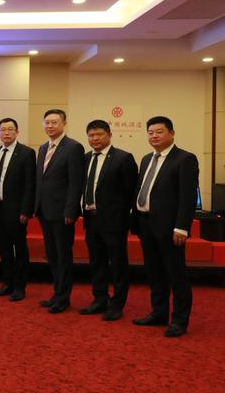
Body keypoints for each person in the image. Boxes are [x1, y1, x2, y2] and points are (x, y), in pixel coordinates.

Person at [132, 116, 198, 337]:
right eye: (150, 132)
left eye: (159, 132)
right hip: (146, 224)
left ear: (172, 133)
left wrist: (182, 227)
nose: (154, 136)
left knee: (176, 275)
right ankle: (158, 313)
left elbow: (187, 197)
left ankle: (179, 320)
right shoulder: (146, 159)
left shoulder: (185, 159)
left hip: (170, 228)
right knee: (154, 273)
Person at [80, 120, 138, 321]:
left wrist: (125, 218)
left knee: (118, 264)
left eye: (99, 134)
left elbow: (131, 192)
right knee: (97, 262)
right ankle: (99, 299)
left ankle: (117, 304)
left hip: (114, 221)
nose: (95, 139)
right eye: (91, 135)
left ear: (109, 135)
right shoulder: (85, 158)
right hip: (91, 219)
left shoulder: (123, 158)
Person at [34, 109, 85, 313]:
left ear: (64, 124)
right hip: (44, 211)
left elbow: (76, 182)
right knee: (52, 255)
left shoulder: (73, 147)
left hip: (63, 212)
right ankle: (57, 293)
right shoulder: (43, 147)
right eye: (47, 122)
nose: (50, 126)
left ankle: (63, 298)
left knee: (63, 256)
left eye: (54, 122)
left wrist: (71, 210)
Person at [0, 118, 36, 302]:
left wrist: (26, 210)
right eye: (3, 130)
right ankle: (7, 283)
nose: (6, 133)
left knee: (19, 248)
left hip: (16, 210)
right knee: (3, 248)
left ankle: (20, 286)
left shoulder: (26, 153)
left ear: (17, 132)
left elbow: (30, 184)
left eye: (10, 129)